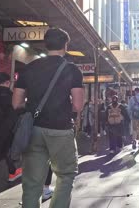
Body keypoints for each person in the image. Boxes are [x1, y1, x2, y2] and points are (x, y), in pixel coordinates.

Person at [13, 28, 84, 208]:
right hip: (61, 130)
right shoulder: (72, 70)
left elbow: (16, 103)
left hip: (33, 130)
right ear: (65, 45)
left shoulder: (29, 68)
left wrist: (32, 107)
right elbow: (77, 105)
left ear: (45, 44)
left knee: (31, 182)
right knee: (65, 175)